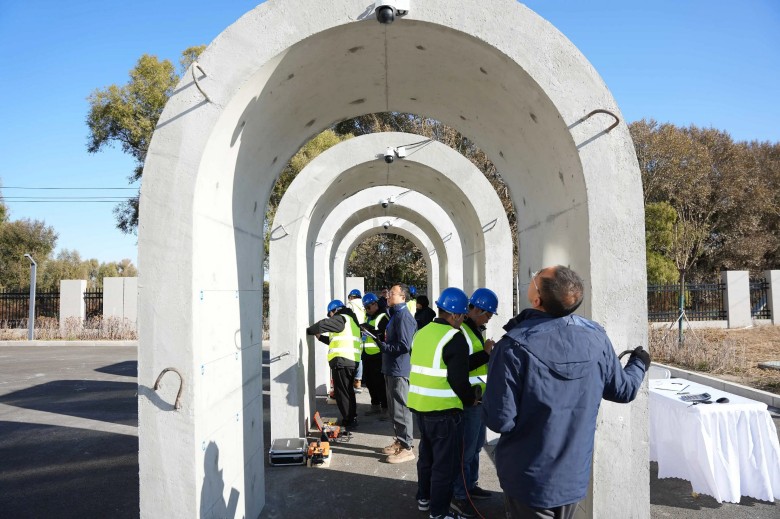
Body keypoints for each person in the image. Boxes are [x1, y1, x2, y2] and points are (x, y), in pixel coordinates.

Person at [482, 266, 650, 518]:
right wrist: (639, 363)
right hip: (573, 477)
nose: (533, 276)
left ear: (536, 299)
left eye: (535, 276)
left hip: (528, 478)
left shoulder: (512, 348)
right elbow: (624, 391)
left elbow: (499, 420)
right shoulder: (597, 338)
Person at [408, 287, 476, 519]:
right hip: (444, 413)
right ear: (456, 315)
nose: (463, 320)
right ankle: (439, 513)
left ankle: (424, 499)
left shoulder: (422, 333)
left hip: (421, 409)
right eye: (463, 316)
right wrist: (471, 399)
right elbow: (458, 380)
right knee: (444, 467)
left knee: (427, 458)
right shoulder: (454, 337)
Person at [450, 288, 498, 518]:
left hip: (479, 399)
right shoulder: (462, 333)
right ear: (476, 309)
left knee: (476, 447)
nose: (488, 318)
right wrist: (487, 353)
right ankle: (460, 495)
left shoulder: (475, 331)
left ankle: (471, 485)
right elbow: (461, 366)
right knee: (466, 451)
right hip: (469, 400)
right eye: (487, 314)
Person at [368, 283, 418, 463]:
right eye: (389, 293)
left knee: (402, 409)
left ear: (403, 297)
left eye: (393, 294)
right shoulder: (394, 314)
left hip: (399, 369)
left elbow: (404, 345)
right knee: (394, 409)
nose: (388, 296)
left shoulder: (404, 316)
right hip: (391, 367)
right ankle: (400, 440)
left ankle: (407, 447)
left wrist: (384, 346)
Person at [306, 299, 362, 427]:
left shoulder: (340, 318)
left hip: (342, 360)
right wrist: (321, 338)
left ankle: (349, 420)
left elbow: (321, 325)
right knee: (348, 391)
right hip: (350, 360)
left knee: (342, 392)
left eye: (330, 314)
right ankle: (351, 417)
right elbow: (336, 340)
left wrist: (309, 330)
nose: (330, 317)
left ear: (335, 310)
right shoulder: (351, 320)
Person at [361, 292, 389, 417]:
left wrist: (370, 329)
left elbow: (384, 335)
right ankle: (375, 404)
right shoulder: (368, 317)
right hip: (367, 354)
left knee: (380, 382)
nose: (367, 310)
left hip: (378, 354)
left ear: (375, 304)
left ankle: (385, 407)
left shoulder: (383, 317)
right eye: (365, 308)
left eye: (368, 307)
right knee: (370, 382)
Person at [347, 289, 366, 392]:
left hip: (354, 332)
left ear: (351, 297)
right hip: (363, 332)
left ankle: (353, 381)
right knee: (360, 356)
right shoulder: (363, 305)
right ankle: (358, 381)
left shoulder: (350, 305)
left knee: (353, 356)